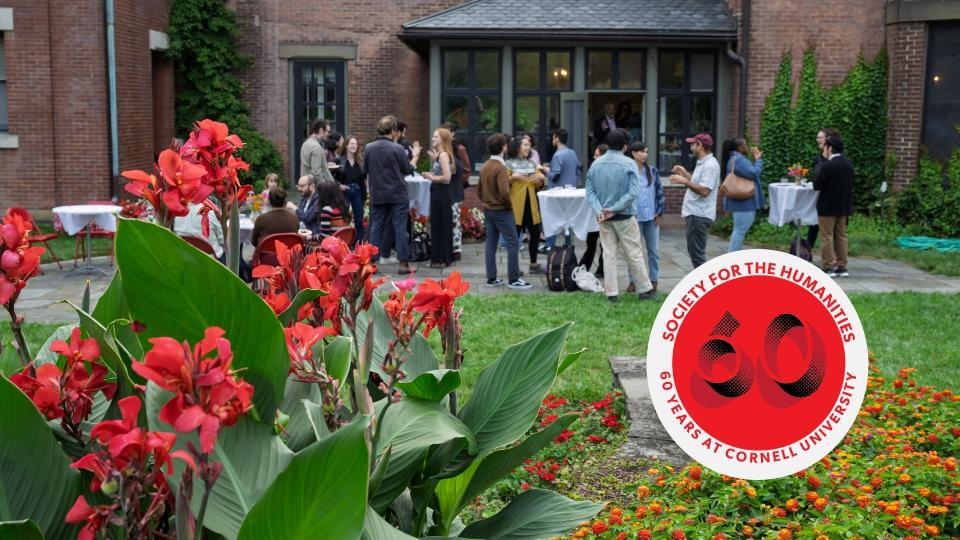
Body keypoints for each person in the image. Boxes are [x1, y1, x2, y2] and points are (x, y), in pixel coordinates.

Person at [585, 129, 655, 302]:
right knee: (634, 253)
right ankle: (645, 289)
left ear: (608, 144)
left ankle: (611, 293)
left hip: (604, 218)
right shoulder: (629, 164)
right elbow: (632, 193)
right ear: (625, 146)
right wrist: (614, 209)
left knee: (609, 255)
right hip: (624, 216)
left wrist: (600, 210)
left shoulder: (596, 164)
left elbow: (590, 191)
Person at [365, 115, 421, 274]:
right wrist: (415, 156)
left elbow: (365, 171)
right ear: (394, 131)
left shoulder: (369, 148)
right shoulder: (397, 148)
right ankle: (403, 264)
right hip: (397, 194)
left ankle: (370, 263)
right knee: (400, 228)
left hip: (378, 194)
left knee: (376, 227)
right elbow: (408, 169)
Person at [478, 133, 532, 289]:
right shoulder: (500, 167)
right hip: (502, 210)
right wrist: (509, 205)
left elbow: (479, 191)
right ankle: (514, 279)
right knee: (513, 243)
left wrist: (486, 202)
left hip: (488, 210)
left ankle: (491, 278)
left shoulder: (485, 166)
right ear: (503, 147)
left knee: (491, 244)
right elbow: (504, 191)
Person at [670, 133, 720, 269]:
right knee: (695, 254)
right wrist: (685, 173)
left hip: (699, 215)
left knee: (697, 256)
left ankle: (707, 286)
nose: (691, 147)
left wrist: (684, 181)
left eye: (693, 144)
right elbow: (699, 182)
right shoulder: (704, 163)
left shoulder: (710, 165)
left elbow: (704, 191)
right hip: (696, 214)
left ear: (701, 146)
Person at [813, 135, 854, 277]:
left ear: (829, 148)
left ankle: (828, 266)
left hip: (827, 206)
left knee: (827, 236)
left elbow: (816, 185)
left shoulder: (828, 166)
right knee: (841, 236)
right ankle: (842, 266)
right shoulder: (848, 164)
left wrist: (823, 161)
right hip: (843, 206)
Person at [626, 141, 664, 293]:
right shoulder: (628, 172)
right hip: (634, 218)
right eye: (642, 152)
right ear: (633, 153)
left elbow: (660, 192)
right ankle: (633, 281)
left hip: (651, 218)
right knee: (634, 252)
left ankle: (653, 280)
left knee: (653, 251)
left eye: (646, 152)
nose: (645, 155)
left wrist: (660, 212)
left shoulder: (652, 171)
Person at [505, 135, 547, 274]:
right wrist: (513, 178)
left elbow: (539, 184)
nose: (528, 148)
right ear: (517, 147)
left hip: (532, 204)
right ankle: (514, 268)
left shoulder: (532, 164)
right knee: (514, 237)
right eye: (525, 145)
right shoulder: (508, 164)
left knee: (535, 234)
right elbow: (503, 185)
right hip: (516, 206)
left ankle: (533, 264)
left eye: (529, 145)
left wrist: (542, 179)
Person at [721, 137, 765, 252]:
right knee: (740, 231)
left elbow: (749, 172)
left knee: (739, 230)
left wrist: (755, 161)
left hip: (740, 202)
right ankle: (732, 259)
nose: (747, 147)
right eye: (745, 144)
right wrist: (758, 159)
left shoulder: (734, 159)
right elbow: (754, 173)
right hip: (744, 203)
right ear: (740, 147)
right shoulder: (739, 160)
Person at [541, 128, 581, 251]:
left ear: (557, 138)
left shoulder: (557, 155)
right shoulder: (572, 153)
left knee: (552, 218)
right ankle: (568, 243)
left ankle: (549, 245)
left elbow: (555, 175)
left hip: (557, 192)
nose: (552, 140)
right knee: (567, 218)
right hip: (570, 190)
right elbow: (579, 169)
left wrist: (545, 170)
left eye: (553, 137)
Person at [422, 128, 455, 268]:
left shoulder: (443, 155)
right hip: (439, 192)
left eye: (435, 136)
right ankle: (440, 258)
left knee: (439, 225)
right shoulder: (441, 155)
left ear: (442, 139)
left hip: (441, 193)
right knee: (440, 225)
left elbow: (447, 178)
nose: (432, 138)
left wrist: (431, 177)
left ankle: (440, 259)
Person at [441, 122, 471, 261]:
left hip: (454, 189)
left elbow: (466, 169)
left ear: (452, 133)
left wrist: (458, 180)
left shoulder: (459, 149)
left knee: (454, 220)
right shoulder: (442, 149)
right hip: (443, 190)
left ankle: (456, 248)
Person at [579, 144, 608, 278]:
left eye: (597, 155)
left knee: (604, 245)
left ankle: (601, 269)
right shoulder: (593, 169)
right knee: (591, 243)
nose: (594, 157)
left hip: (605, 213)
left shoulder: (608, 171)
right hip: (594, 214)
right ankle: (583, 268)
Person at [808, 128, 840, 249]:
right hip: (818, 195)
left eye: (820, 137)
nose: (818, 140)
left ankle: (832, 259)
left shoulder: (835, 159)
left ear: (828, 139)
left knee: (831, 231)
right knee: (814, 224)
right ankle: (808, 250)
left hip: (831, 198)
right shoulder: (818, 158)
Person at [338, 135, 367, 240]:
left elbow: (363, 179)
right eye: (351, 143)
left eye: (355, 144)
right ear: (346, 145)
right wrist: (339, 185)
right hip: (344, 191)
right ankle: (343, 243)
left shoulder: (359, 161)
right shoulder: (339, 160)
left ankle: (359, 244)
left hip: (357, 191)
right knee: (343, 219)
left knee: (359, 219)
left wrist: (365, 195)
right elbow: (331, 177)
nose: (354, 146)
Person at [300, 119, 336, 184]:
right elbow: (316, 172)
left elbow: (309, 165)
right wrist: (325, 187)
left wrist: (325, 164)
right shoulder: (316, 147)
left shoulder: (305, 143)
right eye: (328, 131)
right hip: (315, 187)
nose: (329, 134)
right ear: (321, 130)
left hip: (305, 185)